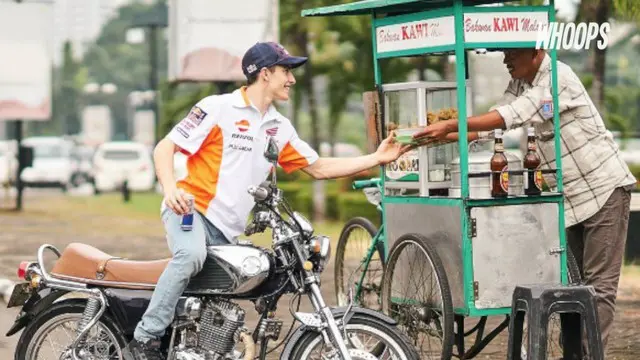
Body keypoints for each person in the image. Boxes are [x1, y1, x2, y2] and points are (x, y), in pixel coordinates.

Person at [124, 41, 411, 359]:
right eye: (286, 71)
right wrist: (170, 188)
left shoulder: (279, 128)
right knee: (190, 256)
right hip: (192, 213)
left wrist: (377, 158)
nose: (292, 79)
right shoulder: (218, 108)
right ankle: (144, 340)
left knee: (248, 282)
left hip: (227, 231)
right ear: (264, 73)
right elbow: (165, 147)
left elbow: (318, 168)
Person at [413, 48, 636, 351]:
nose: (506, 61)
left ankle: (589, 355)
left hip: (603, 190)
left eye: (512, 54)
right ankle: (573, 355)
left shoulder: (557, 79)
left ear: (536, 53)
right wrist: (438, 137)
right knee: (571, 288)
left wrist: (452, 124)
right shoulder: (520, 83)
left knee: (598, 289)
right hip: (569, 201)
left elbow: (512, 116)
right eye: (504, 54)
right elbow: (494, 123)